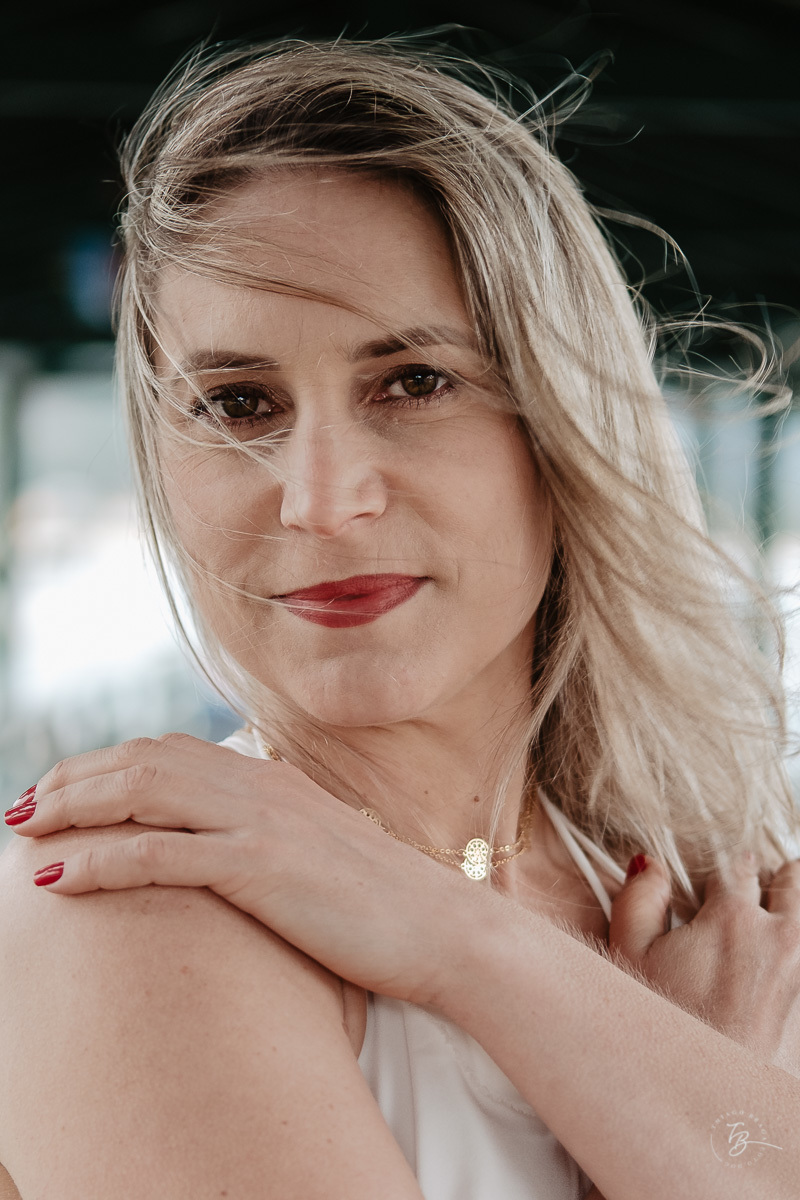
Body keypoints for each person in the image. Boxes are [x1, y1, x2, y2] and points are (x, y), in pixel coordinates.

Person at [1, 36, 800, 1200]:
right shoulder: (135, 905)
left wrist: (463, 944)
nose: (322, 501)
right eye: (236, 403)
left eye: (413, 381)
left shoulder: (705, 907)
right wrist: (686, 1095)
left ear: (559, 417)